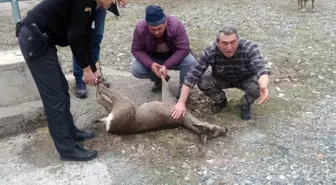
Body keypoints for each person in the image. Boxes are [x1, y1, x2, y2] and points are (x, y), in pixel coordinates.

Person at [17, 0, 115, 161]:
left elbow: (85, 38)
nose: (113, 2)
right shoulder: (84, 2)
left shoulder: (92, 4)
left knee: (61, 90)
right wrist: (85, 69)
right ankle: (66, 148)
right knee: (54, 98)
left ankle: (71, 132)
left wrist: (93, 67)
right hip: (34, 40)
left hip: (42, 40)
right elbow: (75, 38)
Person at [171, 27, 271, 121]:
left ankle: (245, 104)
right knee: (202, 80)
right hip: (222, 78)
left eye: (233, 42)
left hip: (245, 79)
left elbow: (261, 69)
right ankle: (221, 100)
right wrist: (181, 103)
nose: (229, 47)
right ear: (217, 43)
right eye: (224, 43)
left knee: (258, 85)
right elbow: (192, 76)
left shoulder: (249, 47)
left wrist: (263, 83)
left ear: (238, 40)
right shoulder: (210, 51)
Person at [131, 5, 196, 97]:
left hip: (174, 56)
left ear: (165, 22)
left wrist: (167, 65)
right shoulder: (140, 28)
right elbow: (136, 50)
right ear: (147, 25)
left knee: (190, 62)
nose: (156, 32)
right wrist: (151, 64)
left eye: (159, 28)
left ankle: (184, 90)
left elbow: (184, 48)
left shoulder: (176, 25)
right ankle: (160, 79)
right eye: (152, 29)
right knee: (136, 70)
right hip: (154, 58)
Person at [73, 1, 126, 98]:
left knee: (96, 38)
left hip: (100, 7)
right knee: (80, 39)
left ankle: (95, 72)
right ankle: (80, 78)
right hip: (83, 4)